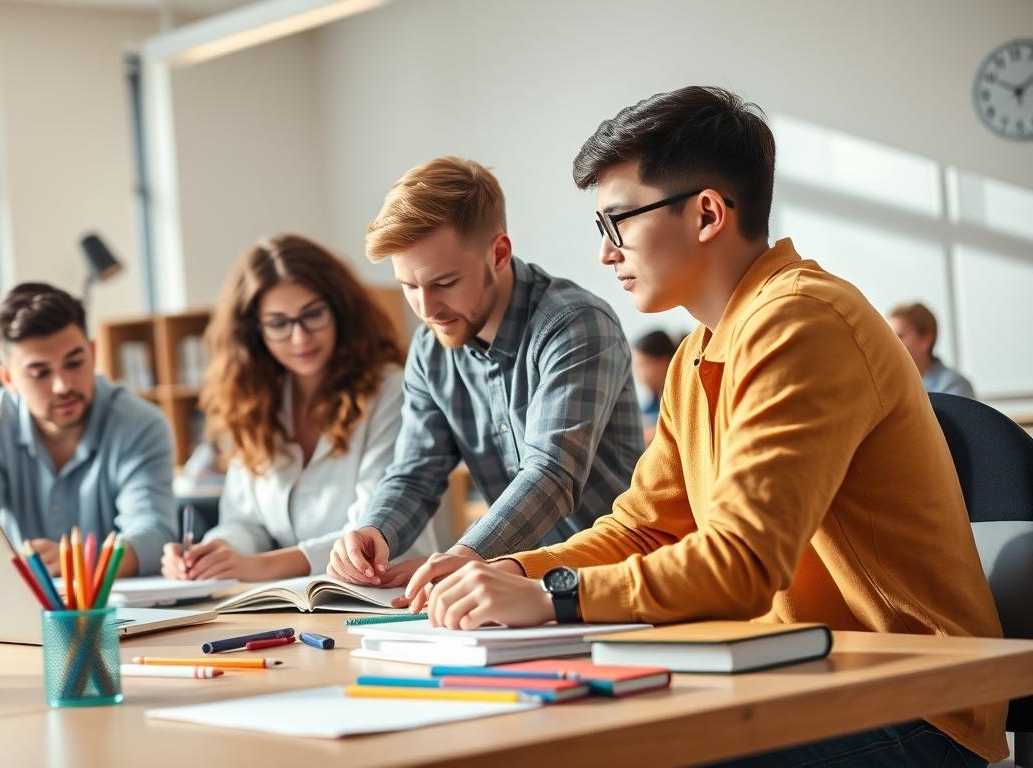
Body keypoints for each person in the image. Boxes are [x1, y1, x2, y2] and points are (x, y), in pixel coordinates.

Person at [399, 87, 1004, 767]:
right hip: (795, 672)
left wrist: (550, 597)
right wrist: (503, 568)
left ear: (708, 213)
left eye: (617, 222)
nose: (605, 253)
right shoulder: (700, 352)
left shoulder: (802, 323)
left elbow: (743, 563)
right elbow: (644, 528)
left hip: (912, 700)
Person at [327, 156, 644, 589]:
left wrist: (465, 556)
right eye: (408, 286)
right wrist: (375, 530)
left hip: (613, 585)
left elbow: (551, 473)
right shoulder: (430, 347)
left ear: (498, 254)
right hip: (511, 590)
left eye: (444, 282)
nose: (426, 309)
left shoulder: (576, 324)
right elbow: (417, 472)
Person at [161, 235, 437, 582]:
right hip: (296, 601)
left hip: (383, 594)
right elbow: (245, 522)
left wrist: (261, 566)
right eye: (279, 323)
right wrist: (211, 554)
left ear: (339, 310)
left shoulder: (391, 389)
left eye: (313, 315)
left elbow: (371, 530)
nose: (300, 338)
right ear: (253, 332)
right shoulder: (254, 404)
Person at [0, 282, 176, 577]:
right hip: (22, 607)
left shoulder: (142, 424)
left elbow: (155, 535)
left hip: (115, 612)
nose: (63, 385)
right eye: (40, 373)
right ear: (8, 378)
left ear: (93, 353)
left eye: (75, 362)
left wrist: (79, 564)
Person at [889, 302, 976, 398]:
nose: (891, 344)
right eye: (889, 337)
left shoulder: (955, 385)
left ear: (926, 340)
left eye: (899, 336)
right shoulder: (892, 385)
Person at [631, 329, 677, 444]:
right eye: (635, 367)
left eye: (643, 365)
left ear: (664, 361)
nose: (638, 374)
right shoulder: (648, 407)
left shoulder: (679, 398)